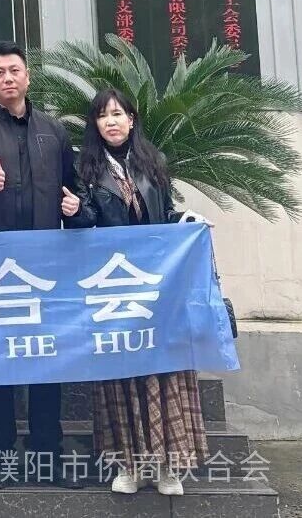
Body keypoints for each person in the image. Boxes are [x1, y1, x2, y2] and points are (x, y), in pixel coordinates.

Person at [0, 41, 85, 489]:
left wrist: (75, 206)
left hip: (46, 265)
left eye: (14, 70)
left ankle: (48, 452)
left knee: (47, 359)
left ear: (27, 76)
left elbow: (72, 185)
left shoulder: (53, 130)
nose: (8, 78)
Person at [73, 88, 210, 496]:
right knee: (120, 374)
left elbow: (164, 214)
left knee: (163, 370)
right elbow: (87, 219)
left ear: (132, 120)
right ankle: (128, 466)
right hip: (113, 287)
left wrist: (187, 220)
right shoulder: (87, 168)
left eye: (118, 114)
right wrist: (74, 212)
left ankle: (168, 467)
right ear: (95, 125)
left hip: (155, 285)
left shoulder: (154, 162)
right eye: (103, 116)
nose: (111, 121)